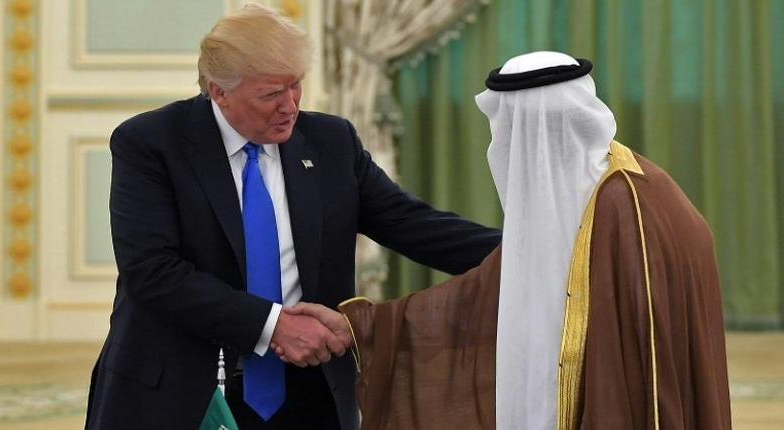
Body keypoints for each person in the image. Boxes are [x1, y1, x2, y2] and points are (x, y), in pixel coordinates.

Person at [83, 4, 501, 430]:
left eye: (295, 86)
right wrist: (272, 326)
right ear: (218, 90)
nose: (290, 106)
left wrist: (532, 250)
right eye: (270, 94)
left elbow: (413, 225)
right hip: (186, 390)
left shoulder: (330, 142)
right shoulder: (151, 144)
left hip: (310, 390)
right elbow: (152, 271)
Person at [288, 51, 732, 429]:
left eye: (506, 130)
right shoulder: (587, 190)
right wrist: (360, 326)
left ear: (529, 128)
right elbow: (485, 293)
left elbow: (649, 361)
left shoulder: (628, 204)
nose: (500, 144)